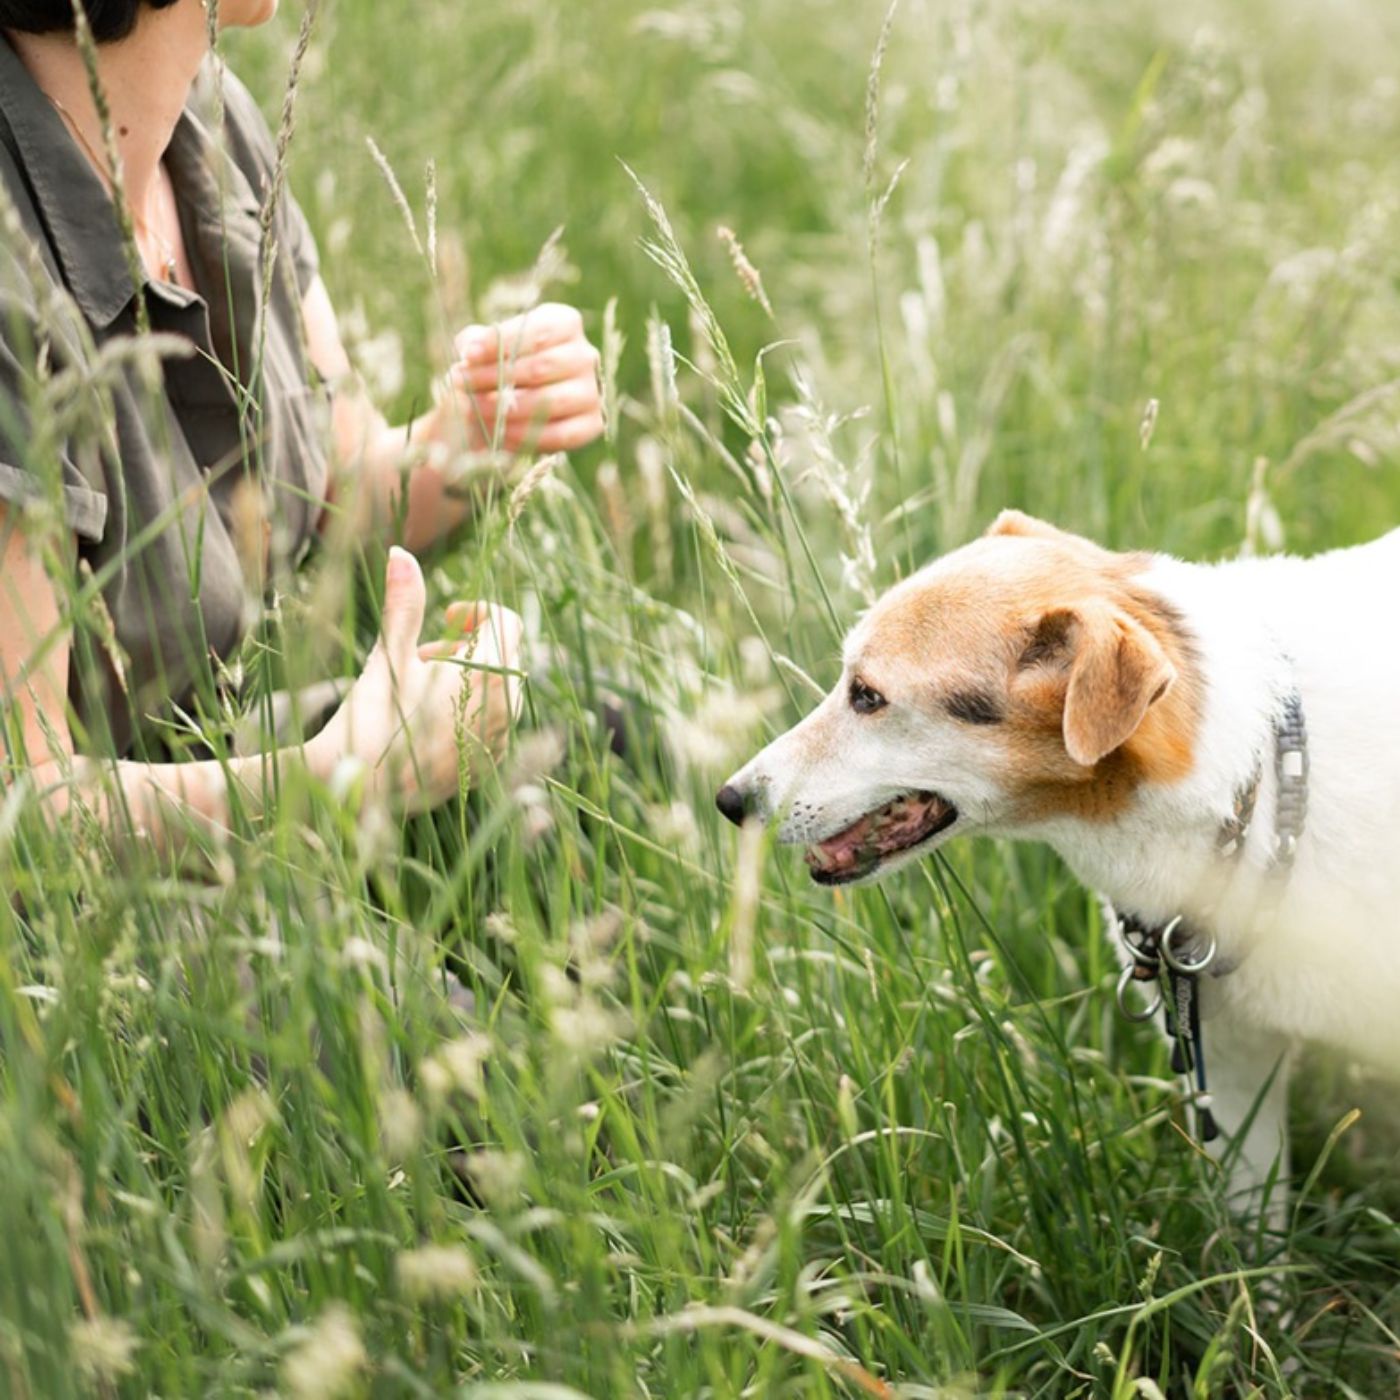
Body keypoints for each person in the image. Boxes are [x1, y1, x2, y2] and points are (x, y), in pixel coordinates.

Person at [0, 0, 605, 851]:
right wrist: (332, 779)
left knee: (601, 734)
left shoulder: (206, 115)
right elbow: (21, 806)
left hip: (216, 783)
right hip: (93, 894)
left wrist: (475, 436)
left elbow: (341, 493)